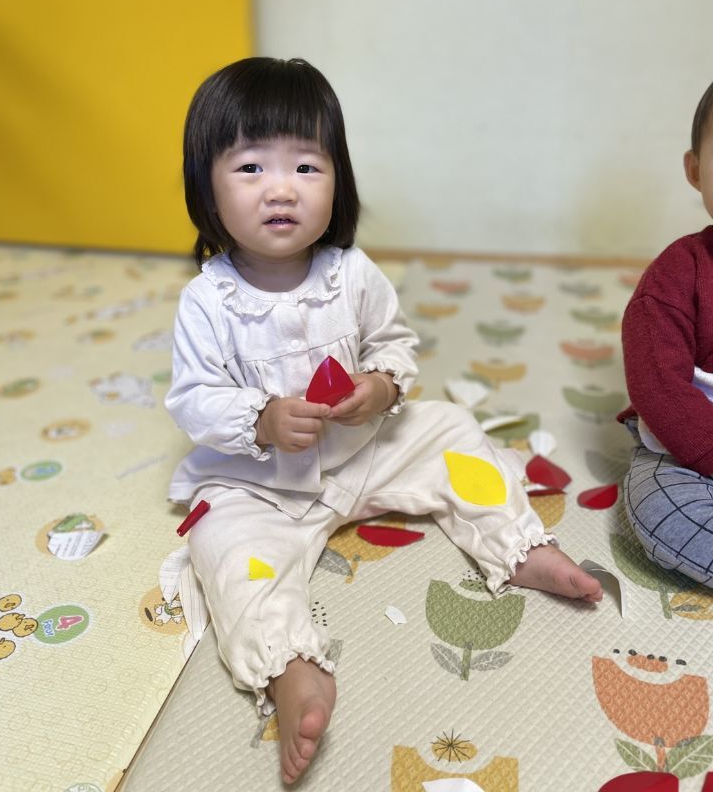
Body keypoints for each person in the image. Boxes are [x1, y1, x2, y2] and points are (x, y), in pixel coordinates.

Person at [165, 57, 603, 784]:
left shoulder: (352, 272)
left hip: (364, 453)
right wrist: (260, 418)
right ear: (205, 187)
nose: (282, 188)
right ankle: (292, 668)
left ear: (338, 179)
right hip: (259, 484)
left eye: (307, 166)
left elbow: (394, 344)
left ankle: (516, 546)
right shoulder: (207, 302)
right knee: (222, 548)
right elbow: (192, 398)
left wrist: (382, 385)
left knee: (454, 430)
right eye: (250, 167)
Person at [619, 81, 713, 591]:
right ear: (695, 171)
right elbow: (658, 387)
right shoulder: (676, 276)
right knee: (661, 509)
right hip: (684, 452)